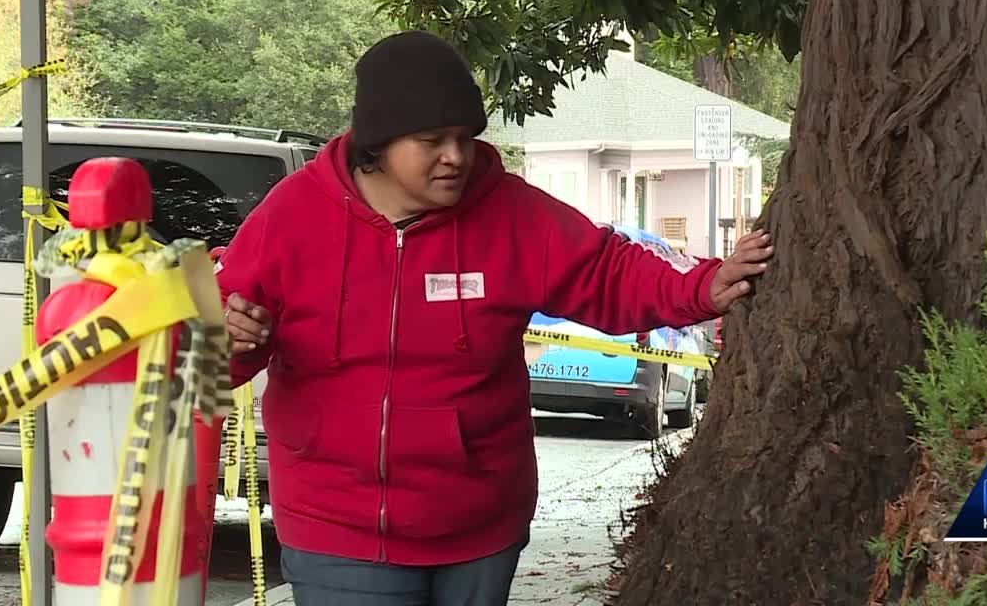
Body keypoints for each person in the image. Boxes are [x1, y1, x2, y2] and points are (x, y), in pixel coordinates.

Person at [217, 30, 774, 605]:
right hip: (336, 528)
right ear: (377, 144)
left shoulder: (511, 213)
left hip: (478, 527)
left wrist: (702, 285)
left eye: (464, 138)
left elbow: (606, 273)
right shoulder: (291, 217)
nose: (455, 156)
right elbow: (217, 349)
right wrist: (228, 338)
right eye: (432, 140)